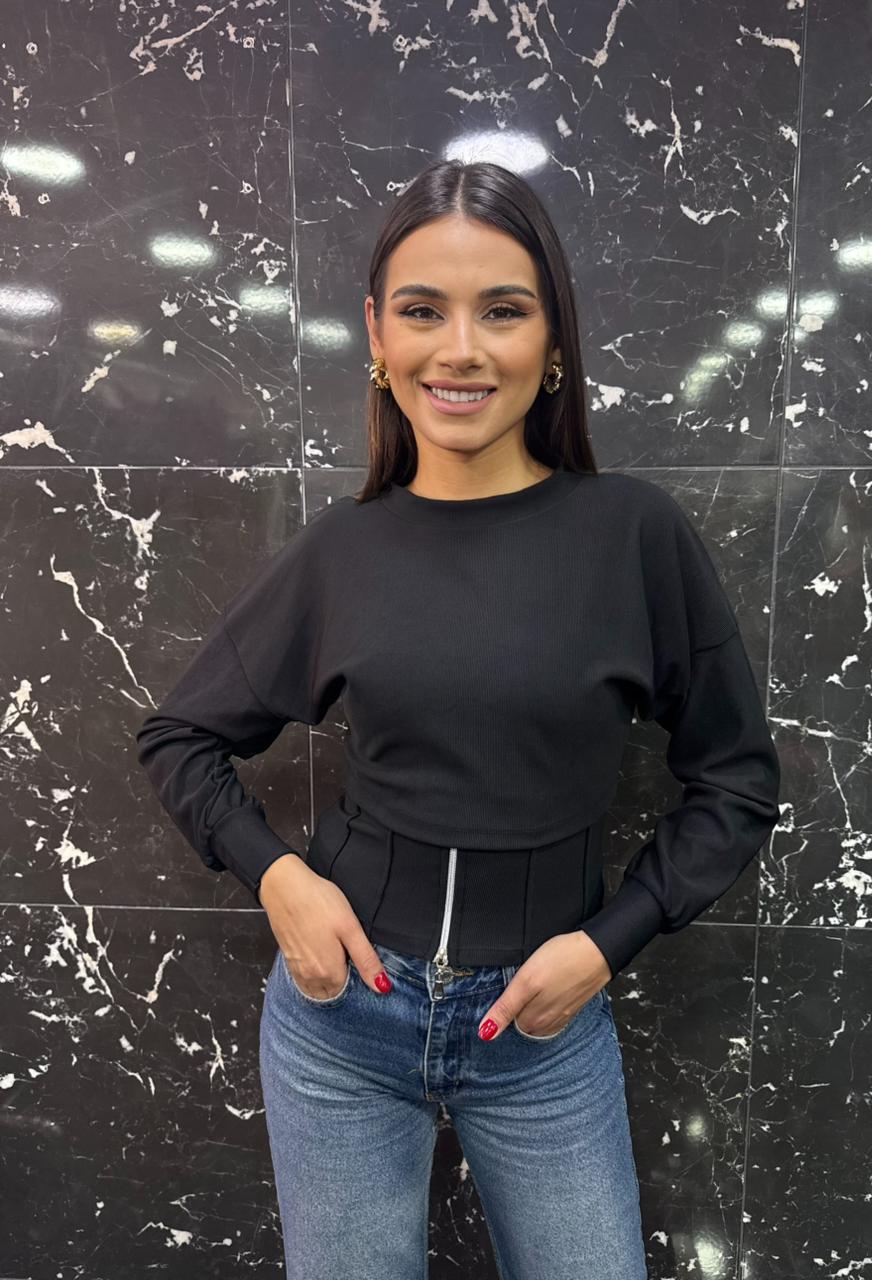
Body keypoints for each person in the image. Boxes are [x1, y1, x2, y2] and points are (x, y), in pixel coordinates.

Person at [135, 159, 781, 1280]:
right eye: (424, 311)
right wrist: (279, 878)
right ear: (378, 336)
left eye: (504, 311)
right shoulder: (344, 549)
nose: (462, 349)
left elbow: (737, 778)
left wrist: (608, 943)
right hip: (341, 1024)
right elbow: (177, 738)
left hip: (543, 1034)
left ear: (555, 341)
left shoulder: (633, 536)